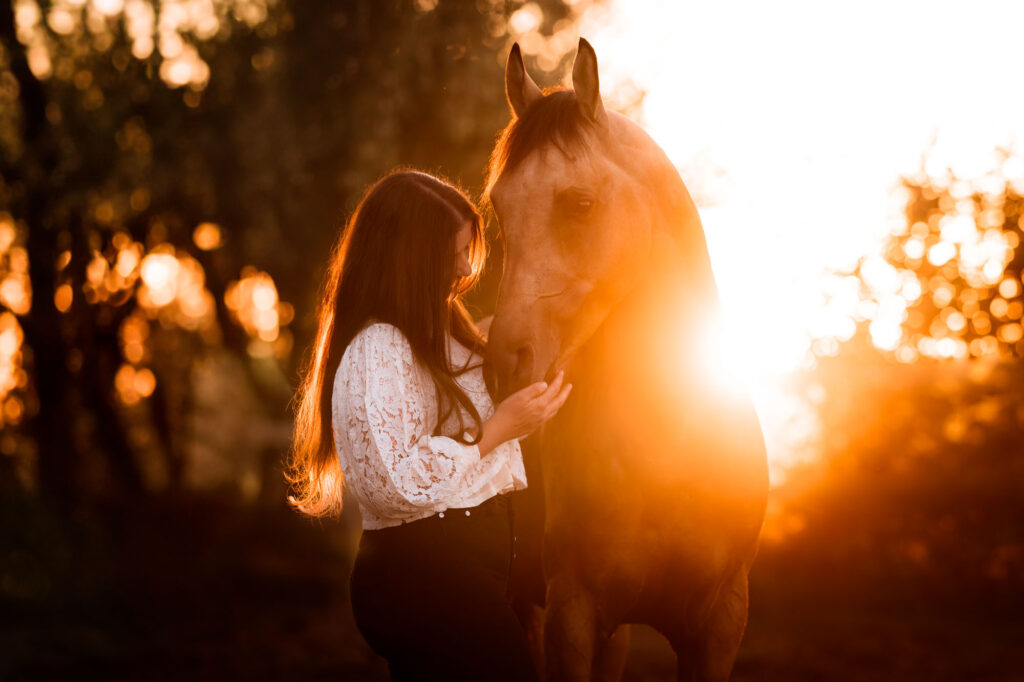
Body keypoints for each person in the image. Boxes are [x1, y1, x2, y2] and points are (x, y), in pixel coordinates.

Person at [286, 169, 571, 681]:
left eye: (468, 250)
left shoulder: (444, 335)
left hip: (462, 572)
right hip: (423, 575)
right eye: (454, 253)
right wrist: (499, 429)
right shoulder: (376, 350)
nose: (465, 268)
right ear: (412, 259)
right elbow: (392, 484)